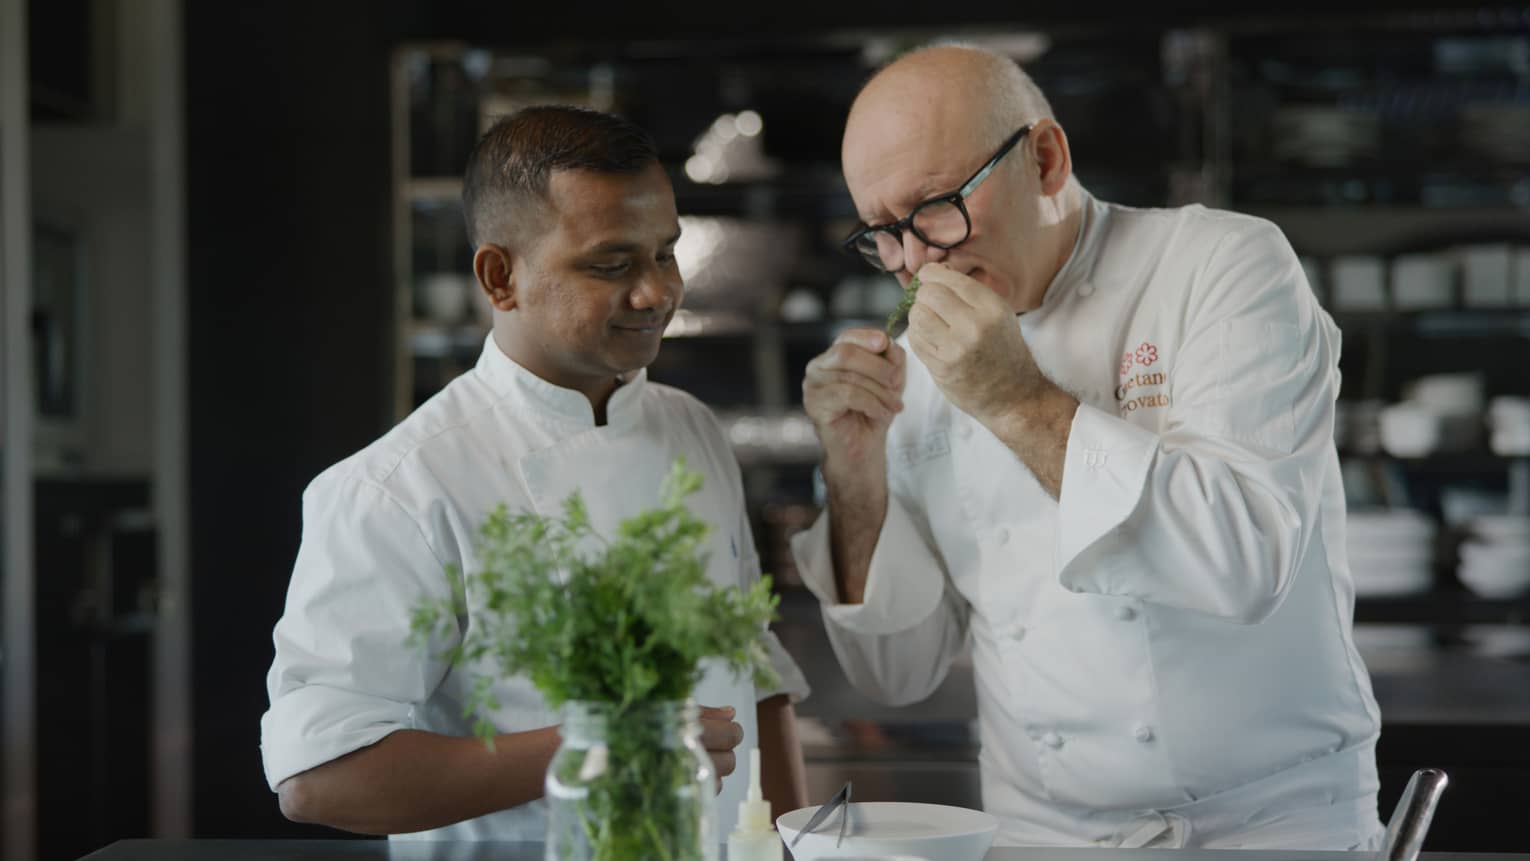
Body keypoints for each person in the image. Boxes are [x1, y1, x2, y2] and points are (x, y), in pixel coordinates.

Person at [794, 44, 1382, 849]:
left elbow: (1243, 557)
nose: (917, 260)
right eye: (884, 234)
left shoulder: (1223, 265)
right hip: (1042, 835)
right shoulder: (920, 364)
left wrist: (1014, 399)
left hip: (1268, 827)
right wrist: (853, 472)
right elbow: (897, 670)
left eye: (935, 205)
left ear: (1044, 158)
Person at [262, 105, 809, 841]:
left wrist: (786, 842)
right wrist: (599, 745)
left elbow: (754, 668)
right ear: (499, 276)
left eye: (666, 254)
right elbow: (320, 774)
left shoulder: (692, 428)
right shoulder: (395, 488)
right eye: (611, 264)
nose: (655, 294)